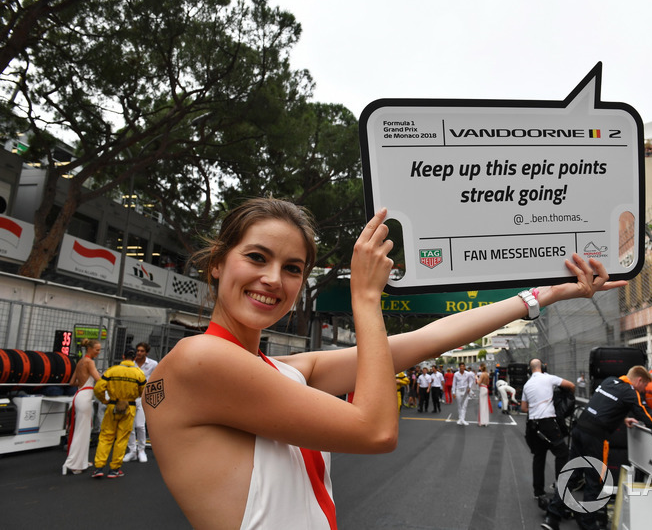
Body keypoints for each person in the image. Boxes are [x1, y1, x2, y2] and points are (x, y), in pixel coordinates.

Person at [142, 197, 624, 529]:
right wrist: (367, 300)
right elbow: (375, 430)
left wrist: (543, 296)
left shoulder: (281, 370)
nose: (273, 279)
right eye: (257, 257)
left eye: (292, 268)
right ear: (217, 264)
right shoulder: (201, 358)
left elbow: (424, 339)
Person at [543, 366, 652, 530]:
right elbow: (646, 416)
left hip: (579, 428)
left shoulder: (609, 381)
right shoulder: (631, 392)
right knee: (595, 479)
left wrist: (621, 418)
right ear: (639, 380)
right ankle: (587, 522)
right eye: (644, 386)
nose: (643, 389)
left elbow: (606, 405)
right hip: (595, 436)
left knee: (572, 474)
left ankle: (552, 517)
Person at [521, 359, 574, 500]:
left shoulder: (527, 385)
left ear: (530, 369)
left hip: (533, 425)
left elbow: (524, 408)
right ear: (543, 367)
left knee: (539, 457)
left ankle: (538, 492)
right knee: (562, 453)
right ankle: (560, 488)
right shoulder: (549, 378)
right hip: (548, 423)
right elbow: (571, 385)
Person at [92, 348, 147, 478]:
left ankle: (99, 467)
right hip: (130, 407)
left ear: (123, 356)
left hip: (112, 406)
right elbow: (144, 391)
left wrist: (104, 400)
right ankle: (114, 469)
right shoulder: (139, 373)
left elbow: (98, 388)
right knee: (122, 439)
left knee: (106, 436)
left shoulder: (112, 370)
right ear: (134, 358)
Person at [61, 339, 103, 475]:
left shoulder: (80, 362)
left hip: (79, 394)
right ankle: (73, 463)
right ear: (89, 349)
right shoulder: (89, 362)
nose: (98, 352)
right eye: (97, 349)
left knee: (83, 430)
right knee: (82, 431)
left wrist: (84, 385)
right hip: (85, 397)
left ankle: (80, 461)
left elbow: (72, 382)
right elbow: (99, 380)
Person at [123, 342, 158, 463]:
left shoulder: (153, 364)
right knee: (130, 427)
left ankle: (141, 450)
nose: (139, 353)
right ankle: (132, 451)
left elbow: (157, 379)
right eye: (138, 350)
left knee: (140, 425)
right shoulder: (130, 364)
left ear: (146, 353)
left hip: (143, 397)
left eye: (142, 351)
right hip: (130, 397)